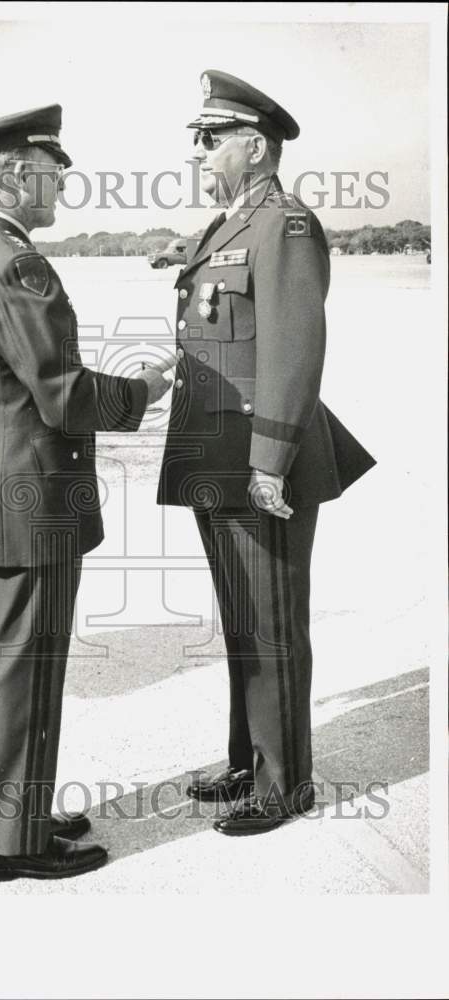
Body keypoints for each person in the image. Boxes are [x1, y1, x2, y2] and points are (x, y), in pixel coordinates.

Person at [0, 104, 171, 878]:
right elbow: (61, 394)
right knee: (21, 670)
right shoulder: (17, 264)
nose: (59, 184)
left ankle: (17, 816)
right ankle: (10, 847)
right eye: (50, 172)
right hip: (30, 507)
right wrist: (142, 390)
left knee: (5, 666)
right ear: (14, 175)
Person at [157, 71, 376, 835]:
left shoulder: (284, 225)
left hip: (258, 456)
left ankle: (284, 786)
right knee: (243, 617)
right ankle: (249, 761)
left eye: (209, 139)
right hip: (214, 450)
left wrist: (270, 460)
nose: (196, 152)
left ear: (254, 147)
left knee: (272, 622)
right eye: (196, 139)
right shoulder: (230, 223)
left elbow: (291, 346)